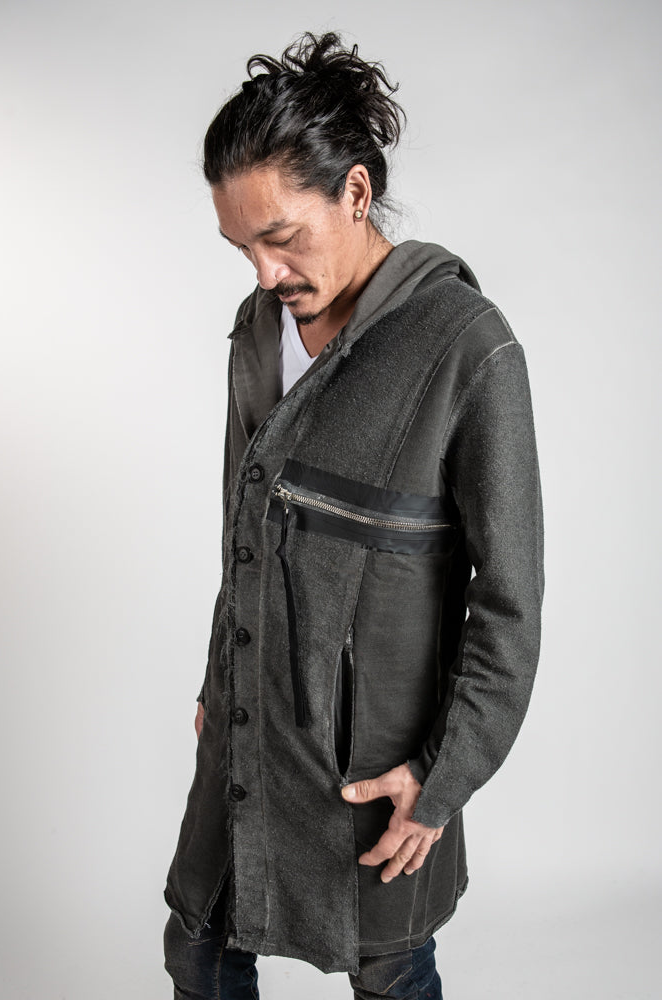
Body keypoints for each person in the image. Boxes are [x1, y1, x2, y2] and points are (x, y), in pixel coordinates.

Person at [164, 31, 544, 1000]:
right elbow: (242, 529)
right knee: (198, 946)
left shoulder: (466, 346)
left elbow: (508, 599)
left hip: (373, 762)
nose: (263, 273)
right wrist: (217, 677)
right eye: (240, 247)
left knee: (388, 969)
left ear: (356, 193)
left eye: (281, 236)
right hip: (248, 726)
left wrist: (442, 775)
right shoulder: (257, 332)